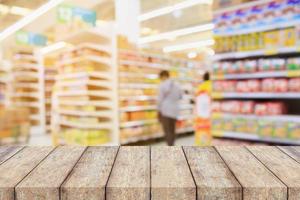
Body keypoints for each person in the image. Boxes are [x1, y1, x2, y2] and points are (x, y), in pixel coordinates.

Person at [157, 70, 182, 146]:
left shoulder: (162, 85)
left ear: (163, 76)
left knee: (167, 130)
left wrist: (158, 110)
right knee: (172, 129)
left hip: (166, 110)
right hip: (175, 110)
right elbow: (180, 96)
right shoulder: (177, 84)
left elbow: (160, 99)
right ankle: (172, 144)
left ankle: (169, 146)